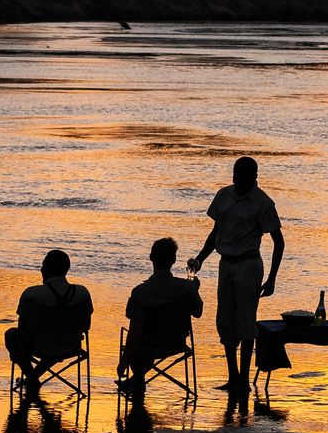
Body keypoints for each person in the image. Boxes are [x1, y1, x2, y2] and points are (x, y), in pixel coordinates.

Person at [187, 156, 284, 395]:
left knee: (246, 322)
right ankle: (233, 377)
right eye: (235, 177)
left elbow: (279, 242)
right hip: (226, 263)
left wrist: (271, 279)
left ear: (254, 178)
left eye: (242, 178)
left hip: (249, 265)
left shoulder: (263, 203)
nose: (237, 182)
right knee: (225, 321)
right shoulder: (224, 196)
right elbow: (216, 232)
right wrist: (200, 259)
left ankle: (243, 380)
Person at [120, 237, 203, 404]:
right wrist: (194, 290)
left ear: (151, 257)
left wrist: (124, 361)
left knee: (135, 339)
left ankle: (138, 380)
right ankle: (137, 380)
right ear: (173, 260)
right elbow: (198, 312)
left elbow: (135, 332)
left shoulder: (141, 292)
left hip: (149, 344)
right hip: (177, 342)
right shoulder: (186, 287)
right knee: (143, 339)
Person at [4, 249, 93, 394]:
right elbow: (86, 326)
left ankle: (32, 378)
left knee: (11, 335)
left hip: (39, 345)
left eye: (43, 266)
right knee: (53, 341)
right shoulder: (82, 293)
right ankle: (32, 379)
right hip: (71, 345)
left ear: (46, 270)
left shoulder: (32, 294)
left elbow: (23, 328)